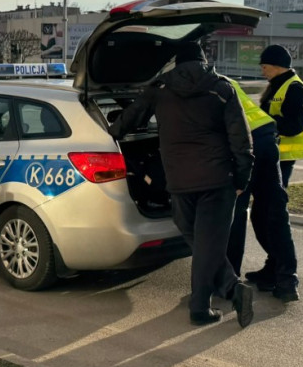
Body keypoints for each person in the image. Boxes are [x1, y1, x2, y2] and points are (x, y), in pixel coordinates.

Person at [109, 41, 255, 327]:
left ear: (177, 63)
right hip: (218, 180)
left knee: (202, 243)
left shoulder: (160, 88)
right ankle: (220, 296)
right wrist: (241, 179)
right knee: (207, 245)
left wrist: (109, 130)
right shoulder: (222, 88)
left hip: (179, 182)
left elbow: (128, 120)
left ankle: (212, 299)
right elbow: (242, 140)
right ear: (204, 59)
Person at [224, 77, 300, 302]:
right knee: (275, 213)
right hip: (267, 138)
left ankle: (231, 282)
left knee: (236, 214)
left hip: (245, 143)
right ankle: (287, 281)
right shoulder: (226, 81)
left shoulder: (198, 87)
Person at [257, 45, 303, 188]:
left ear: (277, 66)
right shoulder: (277, 85)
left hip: (283, 155)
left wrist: (267, 120)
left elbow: (295, 125)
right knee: (265, 198)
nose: (263, 72)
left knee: (274, 200)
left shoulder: (294, 88)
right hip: (272, 152)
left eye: (265, 67)